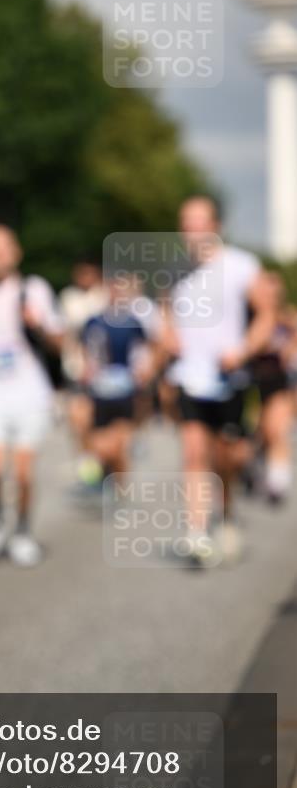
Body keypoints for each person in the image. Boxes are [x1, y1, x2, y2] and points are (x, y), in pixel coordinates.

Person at [163, 195, 275, 566]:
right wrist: (169, 338)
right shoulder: (174, 270)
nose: (191, 229)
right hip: (189, 377)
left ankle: (225, 514)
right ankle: (196, 533)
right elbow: (164, 316)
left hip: (229, 378)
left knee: (228, 457)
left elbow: (266, 315)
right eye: (186, 222)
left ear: (216, 227)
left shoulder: (242, 266)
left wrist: (242, 350)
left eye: (198, 222)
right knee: (194, 452)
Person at [0, 224, 63, 567]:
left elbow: (59, 342)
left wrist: (38, 325)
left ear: (16, 251)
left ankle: (21, 531)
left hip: (29, 394)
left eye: (1, 247)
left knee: (21, 474)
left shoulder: (34, 290)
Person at [80, 274, 155, 477]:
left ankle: (118, 485)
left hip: (126, 388)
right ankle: (103, 476)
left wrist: (143, 373)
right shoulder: (94, 321)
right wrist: (87, 370)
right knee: (100, 441)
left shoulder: (134, 322)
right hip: (101, 388)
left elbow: (142, 352)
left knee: (119, 441)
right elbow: (87, 350)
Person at [247, 271, 296, 505]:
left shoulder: (288, 319)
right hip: (251, 384)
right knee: (259, 432)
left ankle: (278, 483)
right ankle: (254, 463)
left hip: (278, 382)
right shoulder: (248, 319)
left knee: (277, 430)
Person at [59, 261, 109, 493]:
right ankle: (90, 468)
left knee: (100, 426)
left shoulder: (105, 297)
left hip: (104, 375)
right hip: (76, 371)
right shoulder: (69, 298)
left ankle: (103, 468)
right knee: (79, 421)